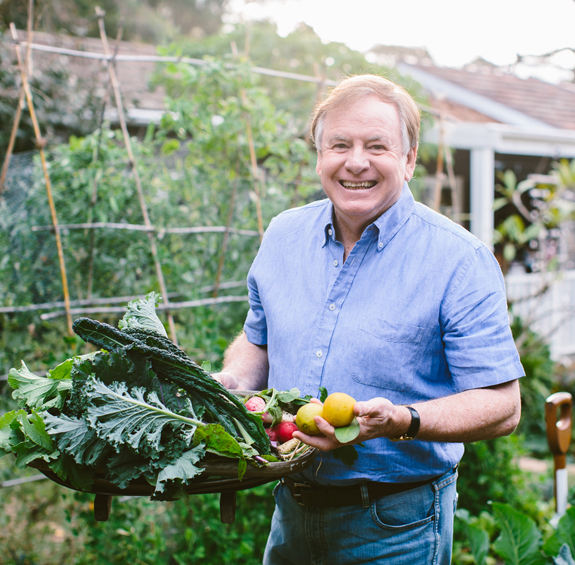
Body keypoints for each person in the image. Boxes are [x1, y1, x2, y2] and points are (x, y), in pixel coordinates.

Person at [214, 74, 524, 565]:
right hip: (290, 510)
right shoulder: (283, 236)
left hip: (395, 524)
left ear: (408, 158)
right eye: (339, 144)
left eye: (376, 145)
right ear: (319, 156)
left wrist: (402, 421)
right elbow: (260, 341)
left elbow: (503, 407)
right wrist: (231, 380)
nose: (355, 162)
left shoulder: (459, 259)